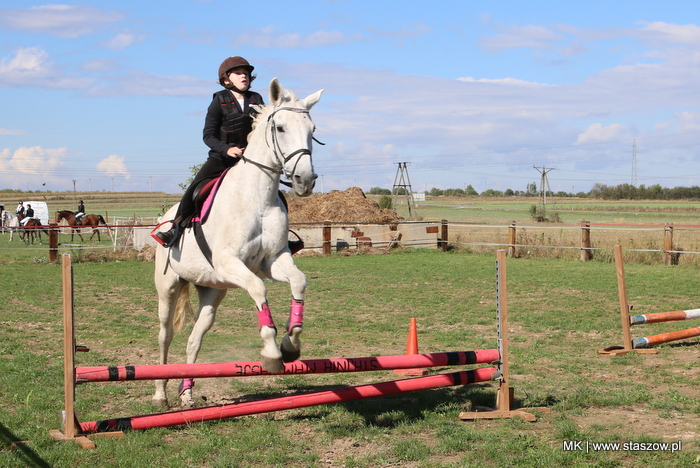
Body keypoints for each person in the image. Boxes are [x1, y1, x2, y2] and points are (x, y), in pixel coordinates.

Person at [155, 56, 265, 247]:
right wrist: (227, 149)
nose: (244, 76)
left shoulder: (257, 99)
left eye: (246, 73)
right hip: (221, 159)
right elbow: (208, 136)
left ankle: (282, 236)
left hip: (249, 159)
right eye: (238, 73)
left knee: (272, 191)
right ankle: (175, 228)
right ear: (226, 79)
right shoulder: (219, 100)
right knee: (194, 189)